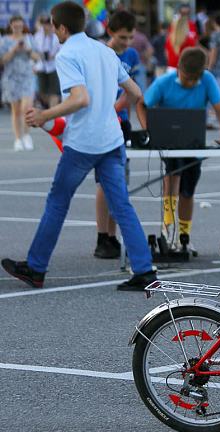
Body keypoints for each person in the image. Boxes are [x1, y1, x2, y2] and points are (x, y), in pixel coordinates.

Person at [2, 1, 155, 290]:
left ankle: (36, 267)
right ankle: (145, 271)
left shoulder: (67, 53)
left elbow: (80, 99)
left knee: (57, 203)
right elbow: (134, 92)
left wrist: (45, 115)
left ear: (61, 27)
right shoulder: (104, 51)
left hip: (84, 142)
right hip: (112, 140)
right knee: (121, 205)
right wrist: (112, 108)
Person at [138, 48, 220, 253]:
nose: (190, 83)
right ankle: (167, 230)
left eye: (194, 80)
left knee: (188, 191)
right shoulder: (164, 82)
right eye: (187, 78)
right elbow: (142, 105)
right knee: (172, 180)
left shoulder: (207, 79)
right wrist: (148, 131)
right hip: (169, 144)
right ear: (179, 69)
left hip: (193, 143)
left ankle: (184, 236)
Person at [93, 9, 142, 260]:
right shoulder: (101, 52)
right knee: (105, 180)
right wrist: (108, 110)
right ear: (110, 32)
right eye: (122, 38)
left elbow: (132, 90)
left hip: (121, 121)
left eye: (130, 37)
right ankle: (103, 236)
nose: (126, 43)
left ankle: (112, 236)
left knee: (119, 179)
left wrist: (124, 113)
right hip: (101, 121)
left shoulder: (131, 55)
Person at [1, 14, 40, 151]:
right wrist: (13, 50)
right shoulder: (5, 41)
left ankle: (27, 135)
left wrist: (27, 50)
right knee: (16, 110)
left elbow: (37, 57)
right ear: (11, 26)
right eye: (15, 26)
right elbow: (3, 60)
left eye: (20, 26)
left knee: (26, 108)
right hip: (11, 78)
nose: (18, 29)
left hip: (27, 77)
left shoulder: (29, 39)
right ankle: (18, 138)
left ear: (23, 26)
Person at [34, 14, 62, 110]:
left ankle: (52, 111)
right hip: (42, 66)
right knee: (43, 92)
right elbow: (35, 50)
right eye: (46, 25)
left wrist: (53, 56)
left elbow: (62, 49)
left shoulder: (57, 36)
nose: (48, 27)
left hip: (54, 66)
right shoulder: (38, 36)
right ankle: (50, 106)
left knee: (54, 91)